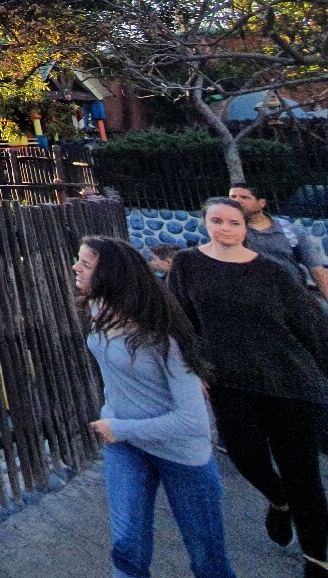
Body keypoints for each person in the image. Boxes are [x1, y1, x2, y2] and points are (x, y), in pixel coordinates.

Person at [169, 197, 328, 578]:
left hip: (290, 382)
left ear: (246, 228)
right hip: (229, 383)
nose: (225, 228)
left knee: (302, 471)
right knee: (246, 457)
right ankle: (278, 500)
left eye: (233, 222)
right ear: (204, 222)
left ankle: (317, 557)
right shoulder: (187, 265)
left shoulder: (271, 272)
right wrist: (195, 370)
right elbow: (179, 323)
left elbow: (311, 325)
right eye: (217, 220)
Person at [73, 236, 235, 578]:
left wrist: (118, 427)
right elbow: (114, 373)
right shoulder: (97, 309)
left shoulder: (163, 336)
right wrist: (112, 412)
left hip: (180, 454)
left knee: (207, 559)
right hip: (126, 448)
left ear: (111, 276)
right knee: (127, 547)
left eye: (85, 265)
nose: (75, 268)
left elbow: (192, 422)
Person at [230, 183, 328, 304]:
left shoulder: (290, 230)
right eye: (232, 197)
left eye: (244, 197)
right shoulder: (230, 233)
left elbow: (317, 270)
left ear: (262, 203)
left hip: (294, 297)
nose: (237, 201)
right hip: (255, 300)